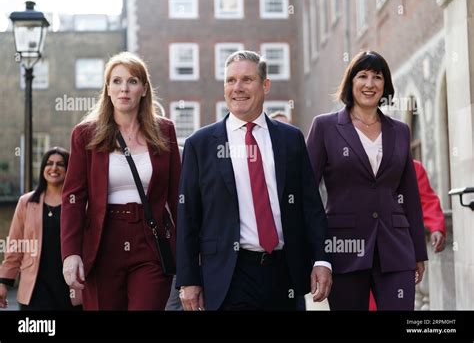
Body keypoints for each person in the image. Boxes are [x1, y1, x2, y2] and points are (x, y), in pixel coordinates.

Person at [177, 50, 332, 311]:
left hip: (284, 270)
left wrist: (322, 260)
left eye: (247, 79)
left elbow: (311, 207)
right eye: (230, 80)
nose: (237, 88)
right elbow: (188, 217)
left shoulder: (291, 139)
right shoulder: (200, 145)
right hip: (229, 273)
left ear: (265, 85)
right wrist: (189, 279)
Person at [306, 51, 428, 310]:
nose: (370, 84)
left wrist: (418, 251)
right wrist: (319, 253)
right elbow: (306, 192)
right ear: (351, 82)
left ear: (386, 85)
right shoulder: (325, 127)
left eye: (377, 77)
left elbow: (409, 194)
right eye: (362, 76)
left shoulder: (400, 131)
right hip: (344, 250)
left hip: (396, 250)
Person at [61, 52, 181, 310]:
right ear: (107, 88)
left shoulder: (164, 131)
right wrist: (71, 253)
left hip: (151, 240)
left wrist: (190, 250)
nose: (124, 88)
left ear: (144, 89)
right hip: (102, 241)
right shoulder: (85, 134)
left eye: (133, 81)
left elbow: (177, 195)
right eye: (116, 81)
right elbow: (73, 197)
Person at [0, 147, 82, 310]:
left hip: (69, 288)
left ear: (68, 169)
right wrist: (3, 282)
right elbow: (15, 246)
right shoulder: (26, 202)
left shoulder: (78, 203)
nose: (54, 168)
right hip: (35, 289)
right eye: (49, 163)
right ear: (43, 168)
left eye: (60, 164)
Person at [369, 159, 446, 310]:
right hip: (364, 249)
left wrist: (436, 227)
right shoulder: (355, 165)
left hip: (399, 249)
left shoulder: (413, 167)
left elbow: (427, 201)